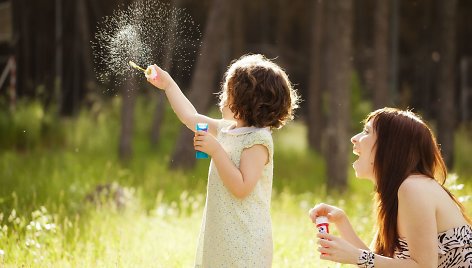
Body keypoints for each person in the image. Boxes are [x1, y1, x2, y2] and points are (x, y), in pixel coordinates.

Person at [145, 54, 299, 267]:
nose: (223, 96)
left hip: (245, 240)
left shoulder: (258, 141)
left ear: (246, 99)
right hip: (223, 235)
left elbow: (242, 187)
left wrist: (216, 151)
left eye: (229, 92)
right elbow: (191, 117)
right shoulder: (228, 129)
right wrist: (168, 85)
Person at [309, 107, 472, 268]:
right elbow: (376, 264)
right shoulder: (396, 193)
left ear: (390, 146)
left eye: (366, 131)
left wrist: (357, 256)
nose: (354, 138)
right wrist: (341, 221)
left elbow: (424, 266)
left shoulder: (413, 188)